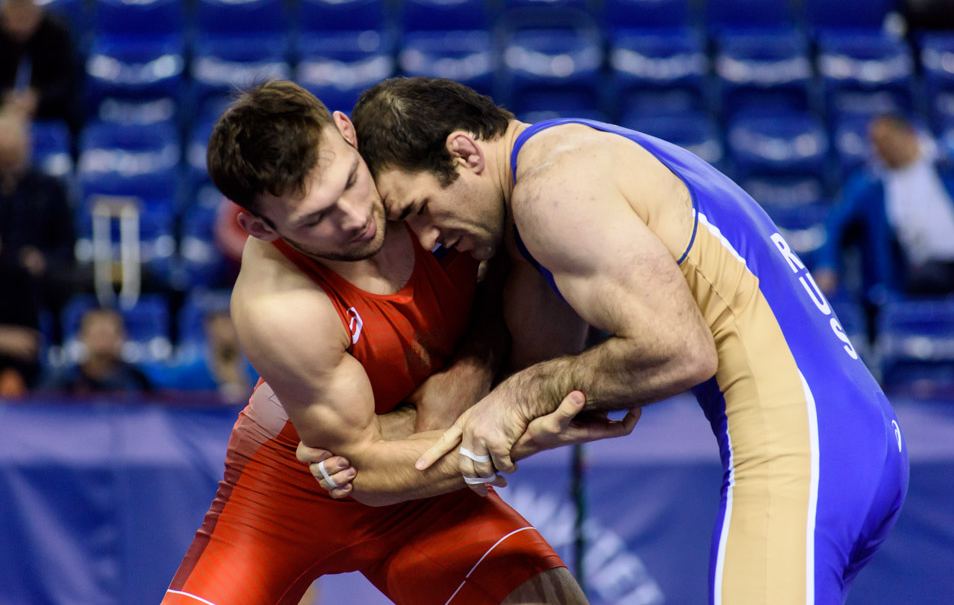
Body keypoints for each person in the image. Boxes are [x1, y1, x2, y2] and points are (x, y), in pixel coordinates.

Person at [311, 76, 910, 604]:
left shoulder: (553, 189)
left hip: (801, 448)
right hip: (850, 436)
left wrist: (519, 397)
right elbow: (524, 369)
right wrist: (360, 436)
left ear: (464, 152)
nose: (427, 239)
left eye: (419, 210)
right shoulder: (555, 167)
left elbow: (678, 350)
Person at [163, 81, 635, 605]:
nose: (356, 217)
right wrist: (507, 434)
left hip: (422, 489)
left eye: (350, 181)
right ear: (260, 227)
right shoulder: (278, 305)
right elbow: (360, 469)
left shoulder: (414, 168)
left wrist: (470, 370)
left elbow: (515, 254)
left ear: (348, 131)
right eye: (316, 218)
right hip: (292, 492)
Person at [814, 114, 954, 318]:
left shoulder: (949, 160)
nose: (883, 150)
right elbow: (836, 223)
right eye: (877, 144)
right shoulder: (871, 184)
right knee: (928, 277)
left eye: (888, 141)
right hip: (927, 270)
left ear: (909, 135)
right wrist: (827, 266)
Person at [0, 111, 76, 393]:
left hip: (39, 280)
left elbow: (68, 245)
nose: (6, 142)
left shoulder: (49, 187)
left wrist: (43, 260)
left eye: (12, 135)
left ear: (27, 142)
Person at [0, 0, 76, 124]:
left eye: (25, 18)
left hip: (49, 112)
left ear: (37, 12)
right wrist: (6, 98)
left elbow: (67, 83)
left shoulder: (57, 33)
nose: (20, 26)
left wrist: (37, 100)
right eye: (15, 18)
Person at [38, 307, 153, 396]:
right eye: (97, 334)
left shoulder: (136, 380)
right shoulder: (64, 379)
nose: (102, 340)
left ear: (122, 337)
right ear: (82, 336)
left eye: (108, 334)